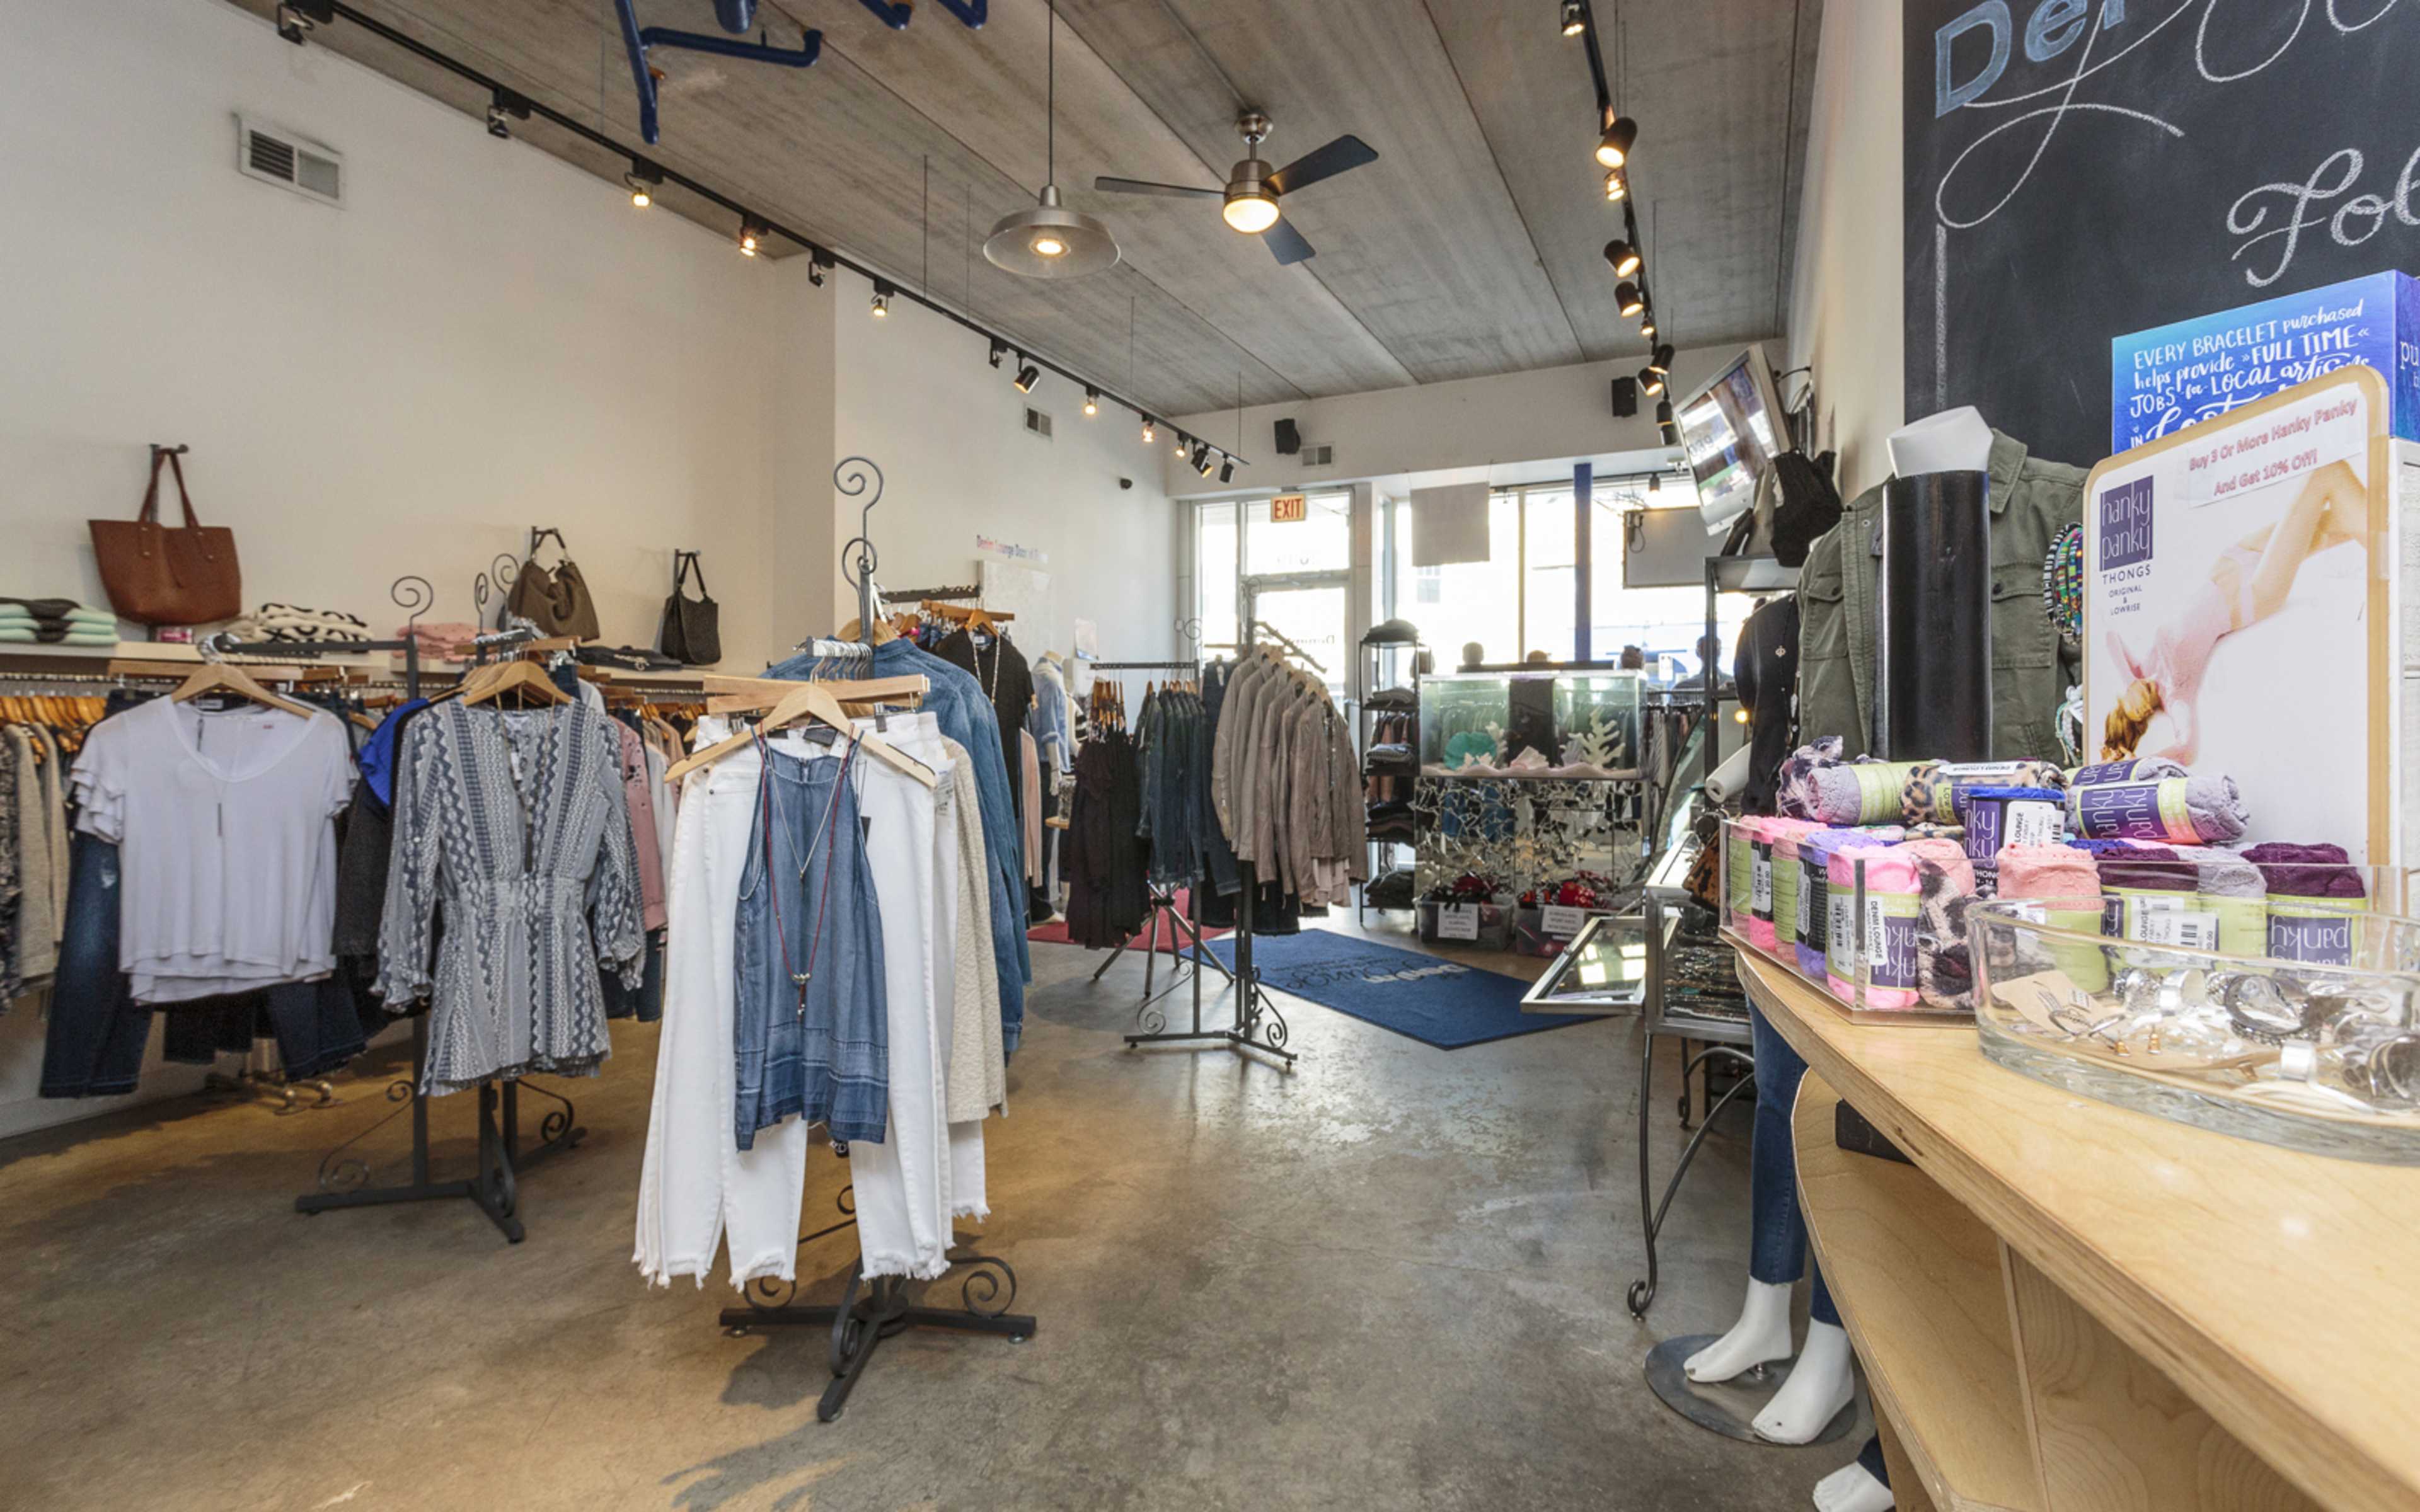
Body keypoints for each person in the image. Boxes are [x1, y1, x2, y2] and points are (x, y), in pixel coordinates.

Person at [2103, 460, 2365, 762]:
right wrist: (2140, 762)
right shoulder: (2176, 694)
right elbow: (2186, 749)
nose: (2147, 705)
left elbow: (2111, 637)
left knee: (2339, 519)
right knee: (2325, 475)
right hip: (2254, 593)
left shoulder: (2141, 669)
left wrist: (2130, 680)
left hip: (2236, 557)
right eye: (2146, 713)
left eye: (2136, 703)